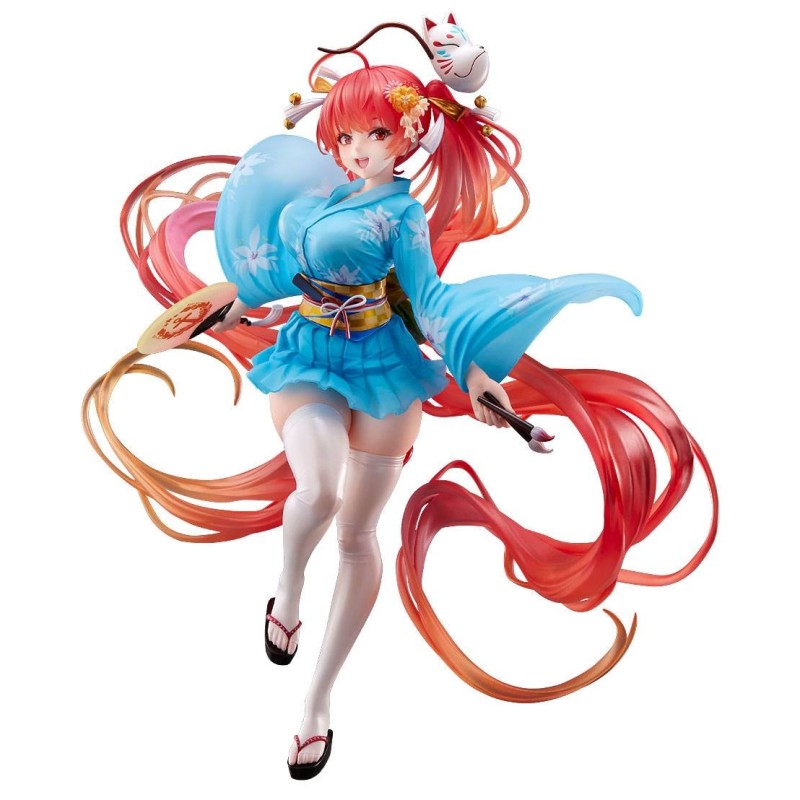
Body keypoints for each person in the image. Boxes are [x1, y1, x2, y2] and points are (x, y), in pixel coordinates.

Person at [84, 51, 717, 781]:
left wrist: (474, 374)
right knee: (318, 490)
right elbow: (271, 277)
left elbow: (430, 300)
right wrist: (222, 306)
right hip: (308, 354)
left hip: (385, 364)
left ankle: (316, 701)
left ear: (408, 135)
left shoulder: (402, 215)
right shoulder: (304, 209)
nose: (359, 149)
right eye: (346, 135)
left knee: (358, 534)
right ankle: (289, 585)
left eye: (376, 134)